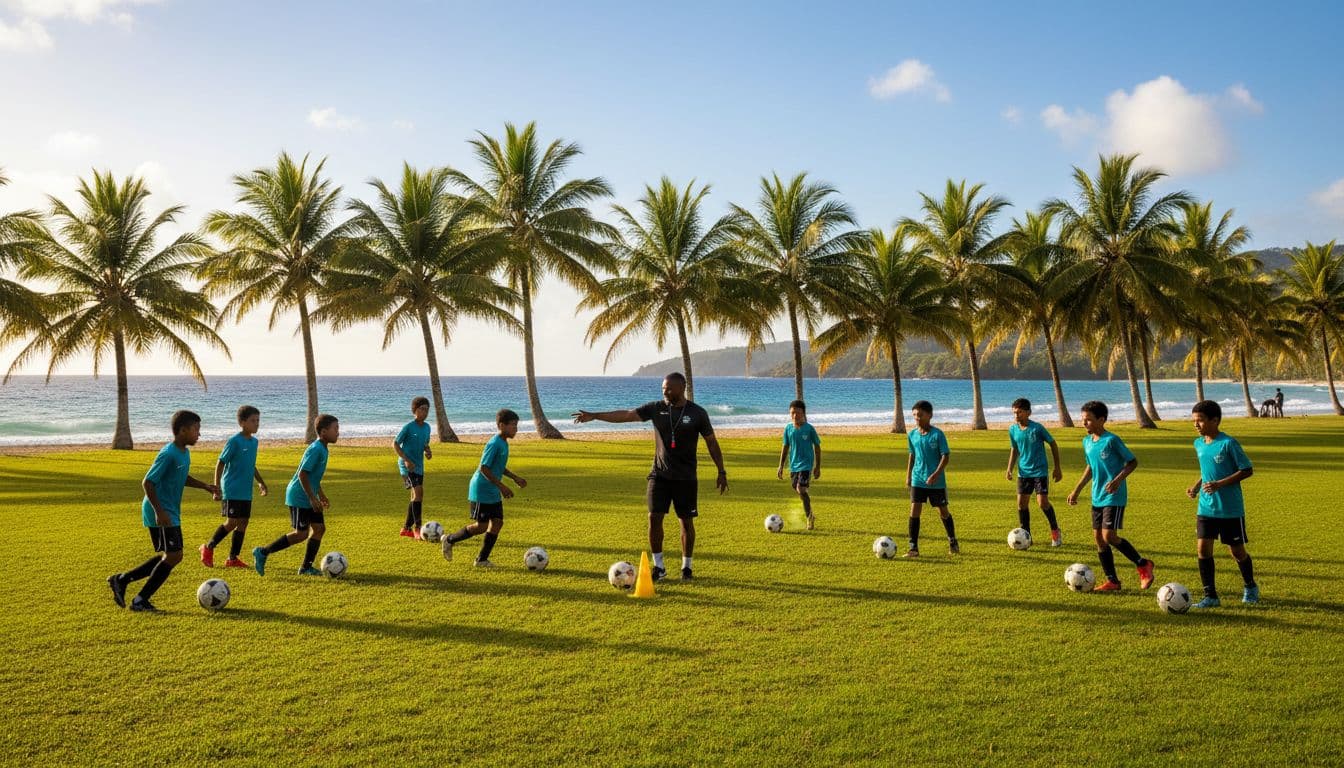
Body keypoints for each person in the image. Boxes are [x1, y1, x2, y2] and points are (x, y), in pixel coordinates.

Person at [572, 372, 727, 581]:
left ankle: (687, 567)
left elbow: (712, 442)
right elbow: (626, 415)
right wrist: (595, 415)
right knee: (654, 518)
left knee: (686, 522)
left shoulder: (698, 413)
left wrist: (721, 470)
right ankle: (659, 567)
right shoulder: (656, 408)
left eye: (669, 388)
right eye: (663, 388)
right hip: (659, 475)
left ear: (682, 388)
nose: (665, 392)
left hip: (686, 478)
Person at [108, 410, 219, 612]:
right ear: (183, 430)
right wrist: (159, 512)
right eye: (196, 429)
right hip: (159, 510)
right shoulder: (168, 454)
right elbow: (148, 482)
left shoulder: (184, 453)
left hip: (168, 511)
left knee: (171, 555)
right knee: (174, 555)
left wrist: (205, 486)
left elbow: (182, 476)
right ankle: (139, 600)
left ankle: (122, 580)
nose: (199, 434)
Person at [1066, 401, 1156, 592]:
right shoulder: (1087, 442)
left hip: (1114, 496)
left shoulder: (1112, 440)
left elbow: (1132, 462)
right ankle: (1113, 581)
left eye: (1088, 420)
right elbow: (1090, 467)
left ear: (1101, 419)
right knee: (1098, 538)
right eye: (1083, 419)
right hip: (1097, 496)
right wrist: (1077, 490)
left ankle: (1143, 564)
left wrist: (1117, 480)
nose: (1084, 423)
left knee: (1109, 535)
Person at [1187, 400, 1259, 608]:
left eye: (1200, 420)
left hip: (1230, 508)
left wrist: (1219, 484)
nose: (1196, 425)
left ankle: (1250, 586)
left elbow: (1246, 469)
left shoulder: (1228, 443)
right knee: (1203, 549)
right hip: (1206, 507)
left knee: (1237, 551)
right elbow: (1206, 471)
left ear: (1215, 420)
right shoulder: (1198, 443)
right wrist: (1197, 486)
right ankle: (1210, 596)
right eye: (1194, 421)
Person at [253, 414, 339, 576]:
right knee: (301, 534)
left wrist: (321, 495)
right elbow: (303, 475)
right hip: (299, 496)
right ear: (323, 431)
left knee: (319, 529)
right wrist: (312, 498)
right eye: (335, 429)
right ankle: (263, 552)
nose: (338, 432)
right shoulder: (315, 449)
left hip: (309, 495)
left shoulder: (323, 448)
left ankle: (306, 567)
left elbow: (314, 477)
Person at [441, 409, 526, 567]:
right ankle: (449, 539)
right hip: (481, 489)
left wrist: (515, 478)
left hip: (492, 489)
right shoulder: (494, 443)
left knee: (498, 522)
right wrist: (502, 487)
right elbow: (484, 468)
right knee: (481, 526)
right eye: (512, 425)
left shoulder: (503, 443)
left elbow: (498, 466)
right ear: (501, 425)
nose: (516, 428)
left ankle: (481, 560)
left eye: (517, 425)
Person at [200, 405, 268, 568]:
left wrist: (260, 481)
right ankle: (208, 548)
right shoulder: (234, 441)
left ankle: (232, 558)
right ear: (242, 422)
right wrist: (217, 488)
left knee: (243, 522)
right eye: (253, 421)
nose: (257, 424)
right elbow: (220, 463)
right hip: (232, 488)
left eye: (258, 420)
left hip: (245, 490)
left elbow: (251, 465)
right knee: (232, 522)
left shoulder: (254, 442)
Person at [1005, 398, 1063, 547]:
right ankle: (1027, 537)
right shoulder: (1012, 429)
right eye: (1014, 413)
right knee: (1021, 504)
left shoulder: (1037, 428)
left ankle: (1055, 531)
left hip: (1039, 471)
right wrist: (1009, 468)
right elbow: (1015, 449)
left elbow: (1053, 444)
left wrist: (1057, 467)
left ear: (1028, 412)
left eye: (1019, 412)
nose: (1016, 415)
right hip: (1023, 473)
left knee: (1042, 503)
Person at [904, 400, 958, 557]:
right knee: (914, 510)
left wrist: (936, 474)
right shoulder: (912, 434)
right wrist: (908, 476)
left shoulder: (937, 434)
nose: (917, 418)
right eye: (914, 415)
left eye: (920, 415)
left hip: (936, 482)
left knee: (943, 511)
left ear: (930, 415)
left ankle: (952, 540)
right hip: (917, 479)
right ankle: (913, 548)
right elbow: (912, 455)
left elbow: (945, 456)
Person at [777, 399, 821, 530]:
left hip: (806, 465)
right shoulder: (788, 429)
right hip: (794, 465)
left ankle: (809, 517)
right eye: (792, 413)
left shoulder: (809, 429)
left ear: (803, 413)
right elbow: (785, 447)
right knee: (798, 489)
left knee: (801, 489)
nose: (795, 415)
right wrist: (780, 465)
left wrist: (817, 467)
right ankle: (810, 512)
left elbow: (817, 447)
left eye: (798, 413)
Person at [395, 396, 433, 540]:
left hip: (419, 467)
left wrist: (428, 451)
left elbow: (425, 444)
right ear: (415, 410)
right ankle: (418, 528)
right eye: (422, 409)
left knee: (415, 497)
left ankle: (406, 529)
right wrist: (406, 460)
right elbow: (395, 444)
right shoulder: (408, 427)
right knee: (418, 494)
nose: (425, 412)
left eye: (427, 410)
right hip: (406, 467)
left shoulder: (427, 427)